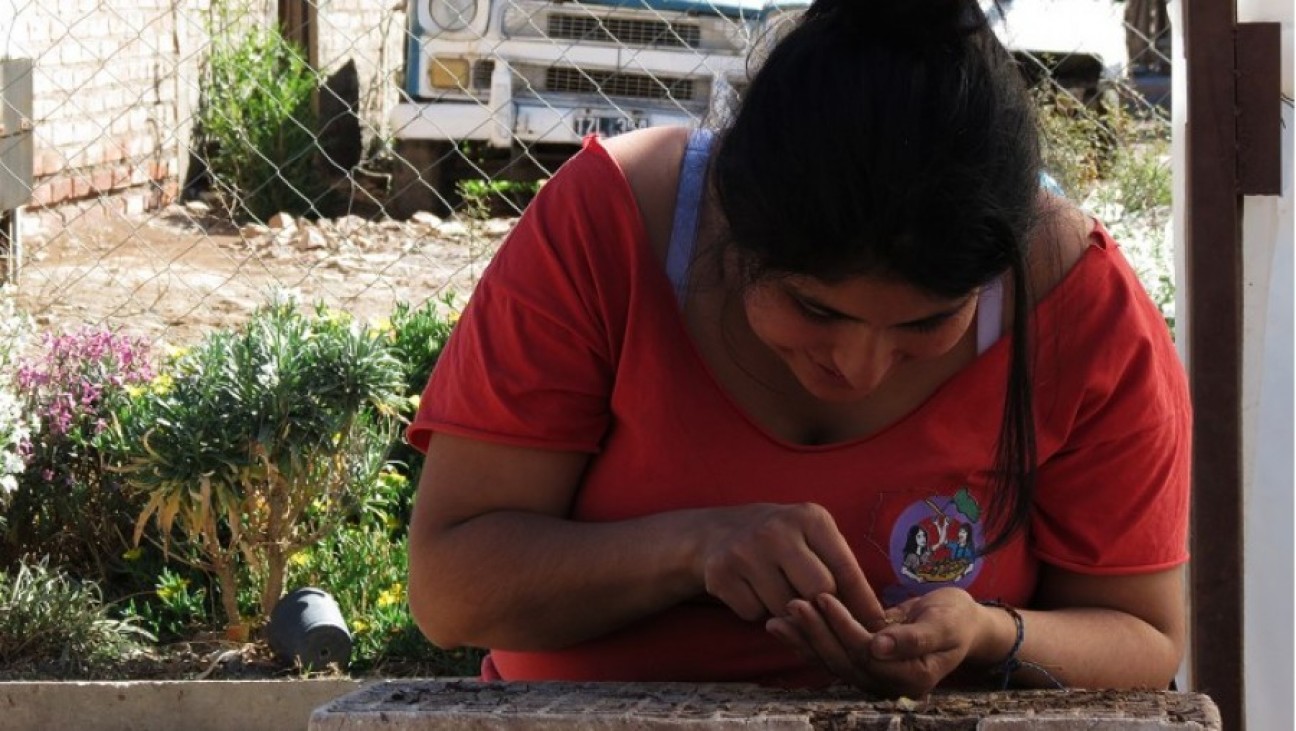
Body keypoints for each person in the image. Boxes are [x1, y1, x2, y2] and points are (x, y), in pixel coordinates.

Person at [405, 0, 1190, 698]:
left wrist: (990, 635)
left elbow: (1144, 638)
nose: (860, 366)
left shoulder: (1077, 299)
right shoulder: (609, 225)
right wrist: (693, 547)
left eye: (927, 323)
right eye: (815, 308)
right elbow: (452, 590)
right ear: (731, 228)